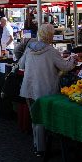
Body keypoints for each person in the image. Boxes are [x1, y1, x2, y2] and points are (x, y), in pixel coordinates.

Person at [19, 23, 76, 155]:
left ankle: (37, 145)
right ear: (50, 36)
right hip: (45, 89)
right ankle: (42, 148)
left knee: (35, 117)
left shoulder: (29, 48)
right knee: (43, 118)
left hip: (29, 88)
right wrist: (72, 59)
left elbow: (21, 65)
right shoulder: (51, 51)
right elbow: (65, 67)